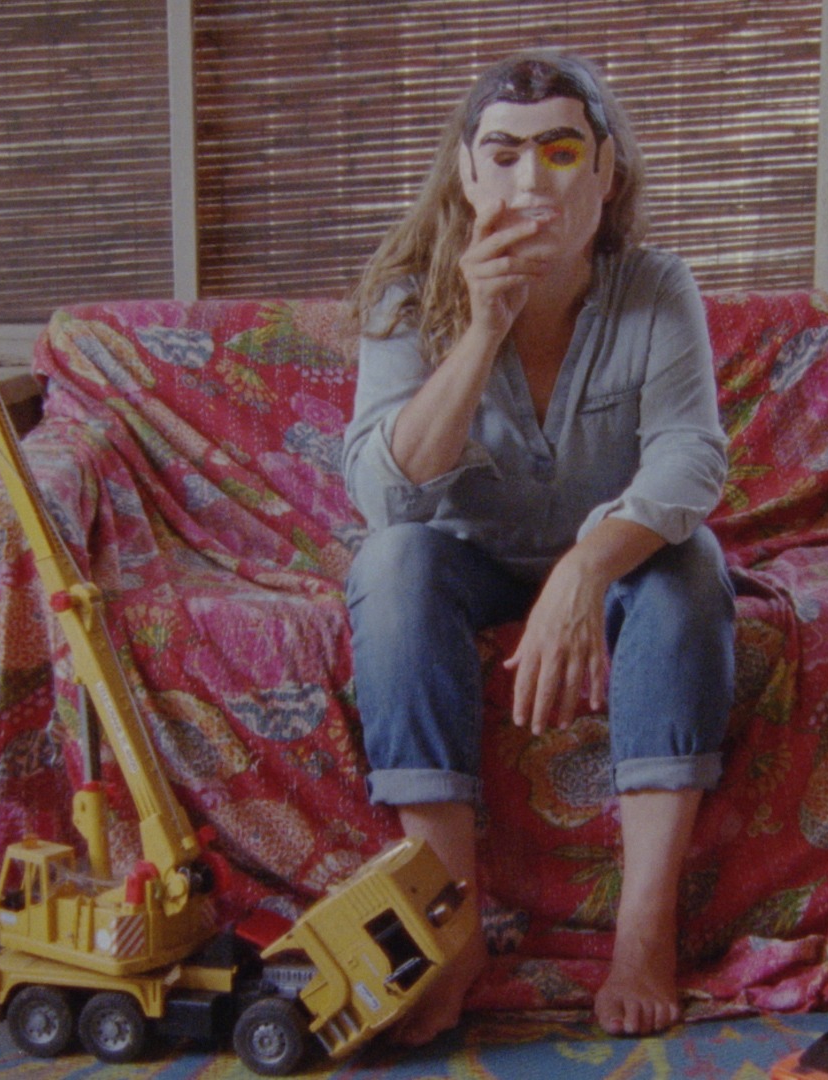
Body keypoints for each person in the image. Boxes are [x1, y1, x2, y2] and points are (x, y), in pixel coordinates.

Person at [342, 49, 735, 1043]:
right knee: (392, 567)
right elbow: (386, 496)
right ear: (468, 174)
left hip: (613, 557)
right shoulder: (404, 296)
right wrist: (481, 328)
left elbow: (692, 459)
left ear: (605, 171)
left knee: (692, 568)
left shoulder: (656, 286)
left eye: (562, 151)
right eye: (504, 154)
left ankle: (644, 935)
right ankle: (452, 924)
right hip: (459, 554)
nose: (532, 182)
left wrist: (587, 563)